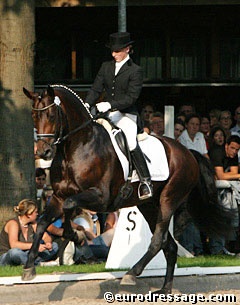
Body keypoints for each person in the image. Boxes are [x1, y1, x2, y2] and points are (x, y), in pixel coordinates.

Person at [85, 32, 152, 200]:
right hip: (106, 113)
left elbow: (131, 97)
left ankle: (145, 181)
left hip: (126, 114)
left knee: (129, 140)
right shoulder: (106, 67)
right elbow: (96, 89)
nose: (114, 54)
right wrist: (87, 103)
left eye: (118, 51)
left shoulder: (135, 70)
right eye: (112, 51)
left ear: (127, 49)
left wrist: (110, 104)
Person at [0, 199, 58, 266]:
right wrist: (35, 246)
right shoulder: (13, 223)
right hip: (8, 255)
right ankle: (37, 264)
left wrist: (48, 243)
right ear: (29, 214)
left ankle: (29, 262)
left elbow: (45, 236)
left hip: (26, 253)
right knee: (15, 252)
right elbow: (14, 245)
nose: (37, 214)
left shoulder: (33, 224)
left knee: (54, 246)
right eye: (35, 212)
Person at [208, 135, 240, 255]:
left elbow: (233, 173)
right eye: (232, 148)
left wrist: (234, 175)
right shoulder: (217, 153)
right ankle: (216, 248)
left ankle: (222, 247)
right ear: (226, 146)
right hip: (209, 188)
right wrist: (238, 176)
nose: (234, 152)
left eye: (237, 149)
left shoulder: (234, 155)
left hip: (222, 188)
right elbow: (221, 176)